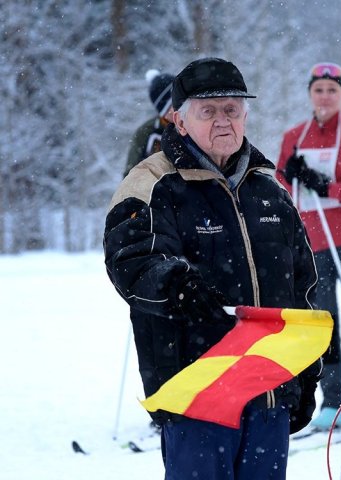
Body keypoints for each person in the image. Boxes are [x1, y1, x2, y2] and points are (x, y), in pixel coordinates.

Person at [104, 57, 321, 479]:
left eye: (232, 110)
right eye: (208, 111)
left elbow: (302, 287)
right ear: (179, 121)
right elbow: (130, 260)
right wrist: (176, 285)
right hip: (198, 396)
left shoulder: (268, 188)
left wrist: (306, 373)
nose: (223, 121)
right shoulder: (153, 181)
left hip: (269, 393)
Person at [276, 62, 341, 431]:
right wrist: (290, 177)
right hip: (313, 244)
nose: (325, 96)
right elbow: (279, 187)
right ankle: (332, 402)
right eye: (319, 89)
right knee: (325, 324)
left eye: (332, 90)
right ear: (309, 93)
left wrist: (329, 187)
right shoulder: (294, 135)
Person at [123, 69, 175, 177]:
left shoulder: (199, 124)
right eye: (173, 105)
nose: (180, 108)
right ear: (163, 112)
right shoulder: (146, 133)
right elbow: (130, 177)